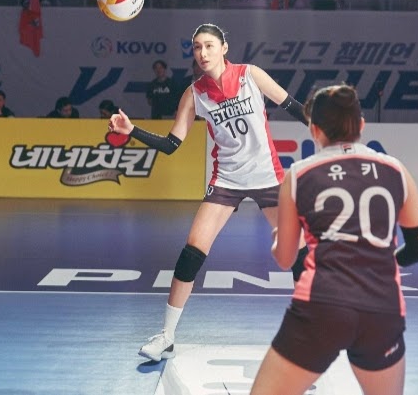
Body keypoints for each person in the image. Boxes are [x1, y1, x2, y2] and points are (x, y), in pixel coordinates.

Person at [108, 23, 311, 363]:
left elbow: (293, 106)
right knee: (192, 251)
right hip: (227, 180)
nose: (202, 53)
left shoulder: (250, 75)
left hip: (268, 177)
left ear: (224, 48)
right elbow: (171, 144)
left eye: (209, 46)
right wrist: (132, 130)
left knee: (297, 251)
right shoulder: (194, 94)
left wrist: (331, 127)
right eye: (197, 47)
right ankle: (166, 337)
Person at [250, 84, 418, 395]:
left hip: (322, 306)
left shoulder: (299, 174)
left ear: (314, 130)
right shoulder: (396, 170)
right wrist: (380, 262)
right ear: (361, 125)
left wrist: (278, 238)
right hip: (382, 309)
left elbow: (285, 259)